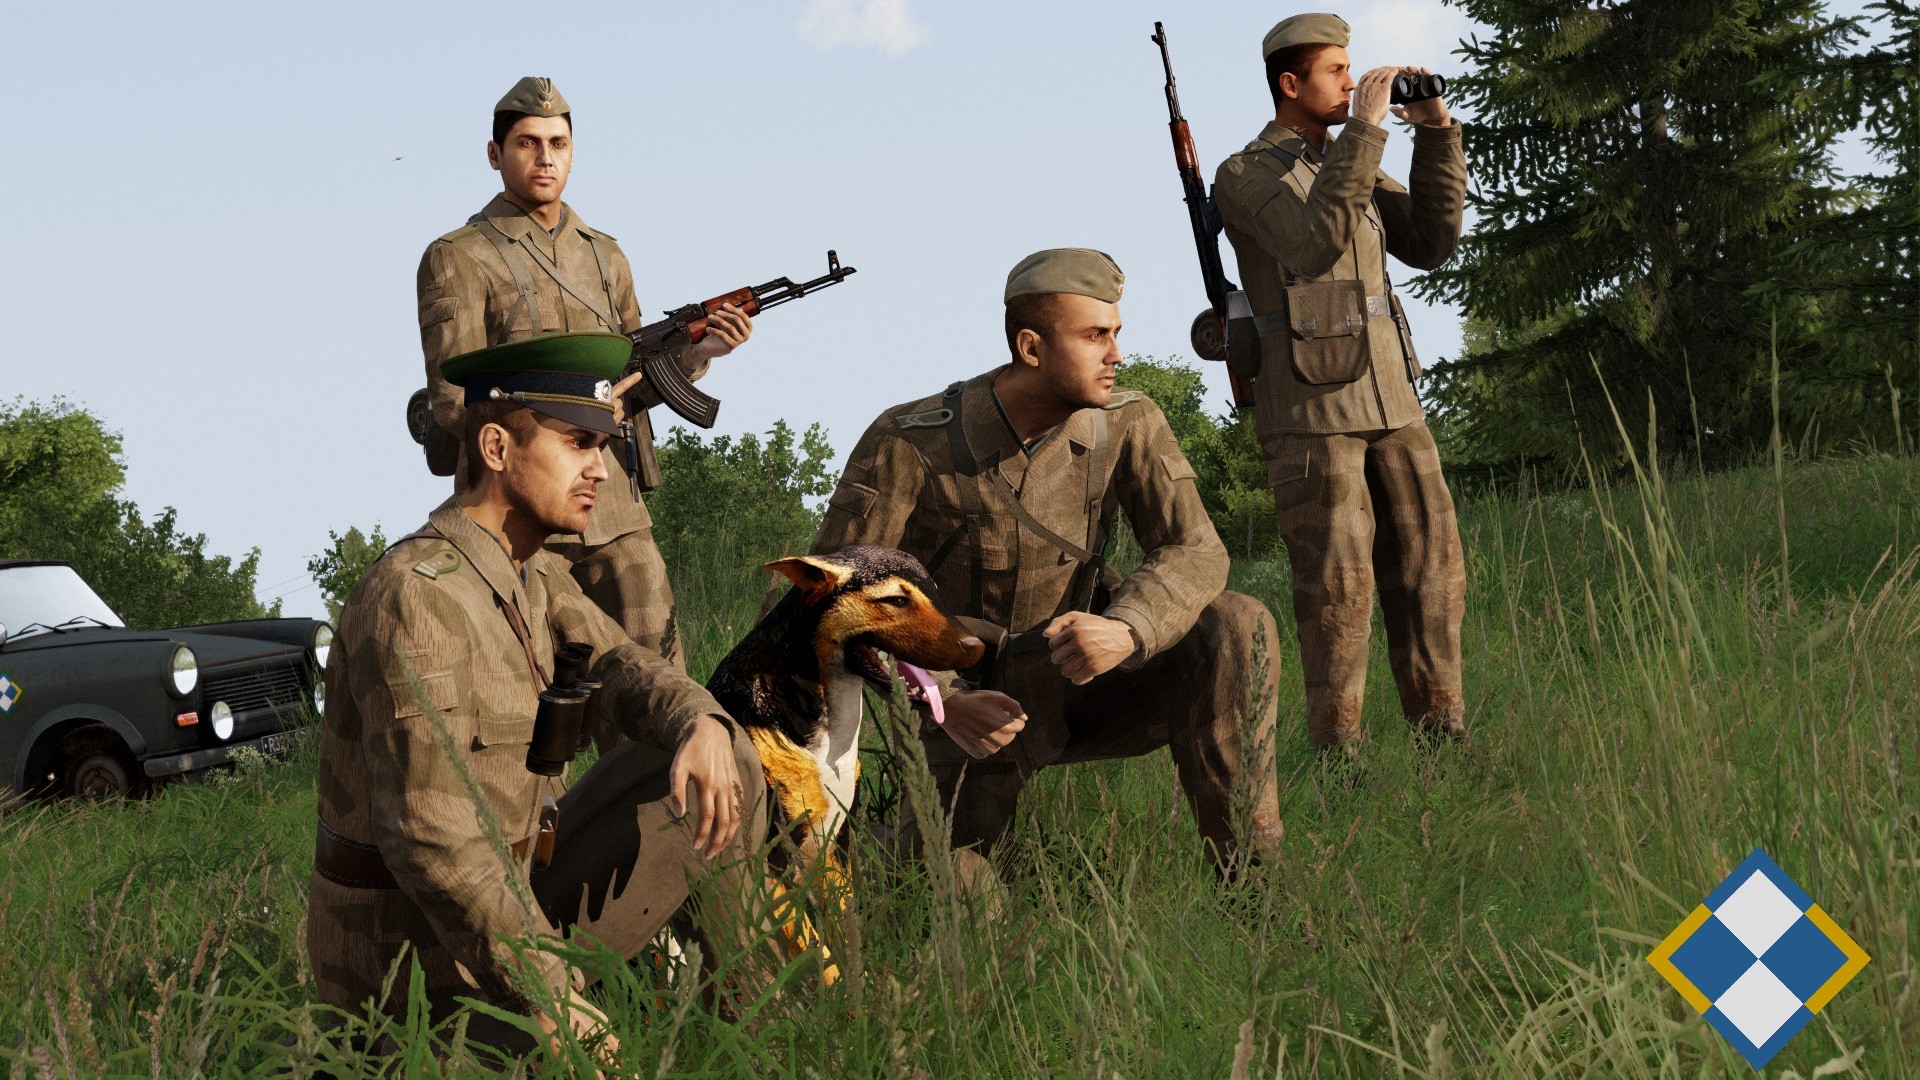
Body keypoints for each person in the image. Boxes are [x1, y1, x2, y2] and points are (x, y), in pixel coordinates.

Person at [308, 332, 768, 1061]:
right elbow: (432, 844)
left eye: (603, 447)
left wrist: (701, 721)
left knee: (725, 754)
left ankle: (752, 1019)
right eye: (579, 443)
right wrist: (553, 997)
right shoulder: (418, 596)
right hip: (415, 972)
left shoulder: (535, 574)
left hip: (513, 897)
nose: (600, 469)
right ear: (496, 448)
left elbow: (625, 667)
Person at [809, 248, 1283, 875]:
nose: (1116, 354)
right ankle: (857, 855)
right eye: (1095, 336)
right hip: (971, 703)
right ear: (1031, 348)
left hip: (1084, 678)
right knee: (953, 882)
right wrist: (941, 699)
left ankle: (1253, 885)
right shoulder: (911, 441)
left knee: (1236, 625)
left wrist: (1129, 628)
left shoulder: (1127, 422)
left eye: (1116, 333)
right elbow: (833, 599)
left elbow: (1193, 548)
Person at [415, 76, 751, 685]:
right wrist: (556, 425)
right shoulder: (458, 256)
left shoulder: (605, 255)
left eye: (558, 143)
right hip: (516, 516)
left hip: (613, 509)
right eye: (527, 143)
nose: (545, 158)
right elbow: (453, 400)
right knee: (530, 696)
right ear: (494, 154)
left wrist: (697, 355)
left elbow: (636, 379)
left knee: (661, 689)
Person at [1211, 14, 1469, 753]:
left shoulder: (1349, 158)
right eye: (1336, 71)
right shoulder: (1246, 173)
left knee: (1434, 575)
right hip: (1311, 411)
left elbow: (1431, 242)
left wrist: (1434, 131)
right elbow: (1313, 244)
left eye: (1353, 69)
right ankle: (1339, 758)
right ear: (1291, 84)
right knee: (1338, 593)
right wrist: (1364, 131)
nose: (1354, 84)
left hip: (1394, 398)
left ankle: (1443, 742)